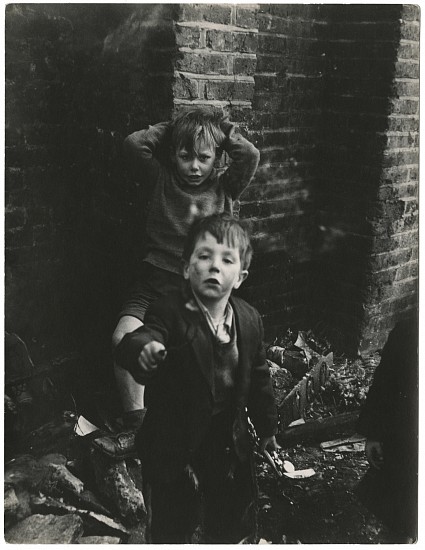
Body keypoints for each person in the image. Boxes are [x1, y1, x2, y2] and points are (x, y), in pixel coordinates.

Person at [95, 107, 260, 457]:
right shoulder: (161, 178)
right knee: (122, 338)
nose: (195, 166)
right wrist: (173, 128)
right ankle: (136, 426)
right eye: (186, 157)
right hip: (154, 284)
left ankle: (205, 433)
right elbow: (133, 145)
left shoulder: (224, 187)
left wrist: (220, 129)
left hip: (198, 292)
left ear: (217, 159)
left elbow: (250, 155)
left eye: (204, 158)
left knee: (199, 358)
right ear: (173, 154)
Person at [115, 213, 278, 543]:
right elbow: (141, 337)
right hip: (174, 437)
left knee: (230, 514)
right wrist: (143, 350)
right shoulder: (169, 312)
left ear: (240, 276)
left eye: (226, 259)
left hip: (224, 437)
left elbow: (259, 377)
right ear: (187, 268)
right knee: (173, 520)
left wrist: (268, 429)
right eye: (204, 257)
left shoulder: (248, 319)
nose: (214, 267)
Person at [357, 316, 418, 542]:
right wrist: (374, 434)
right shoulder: (410, 330)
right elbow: (386, 384)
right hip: (407, 441)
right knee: (401, 514)